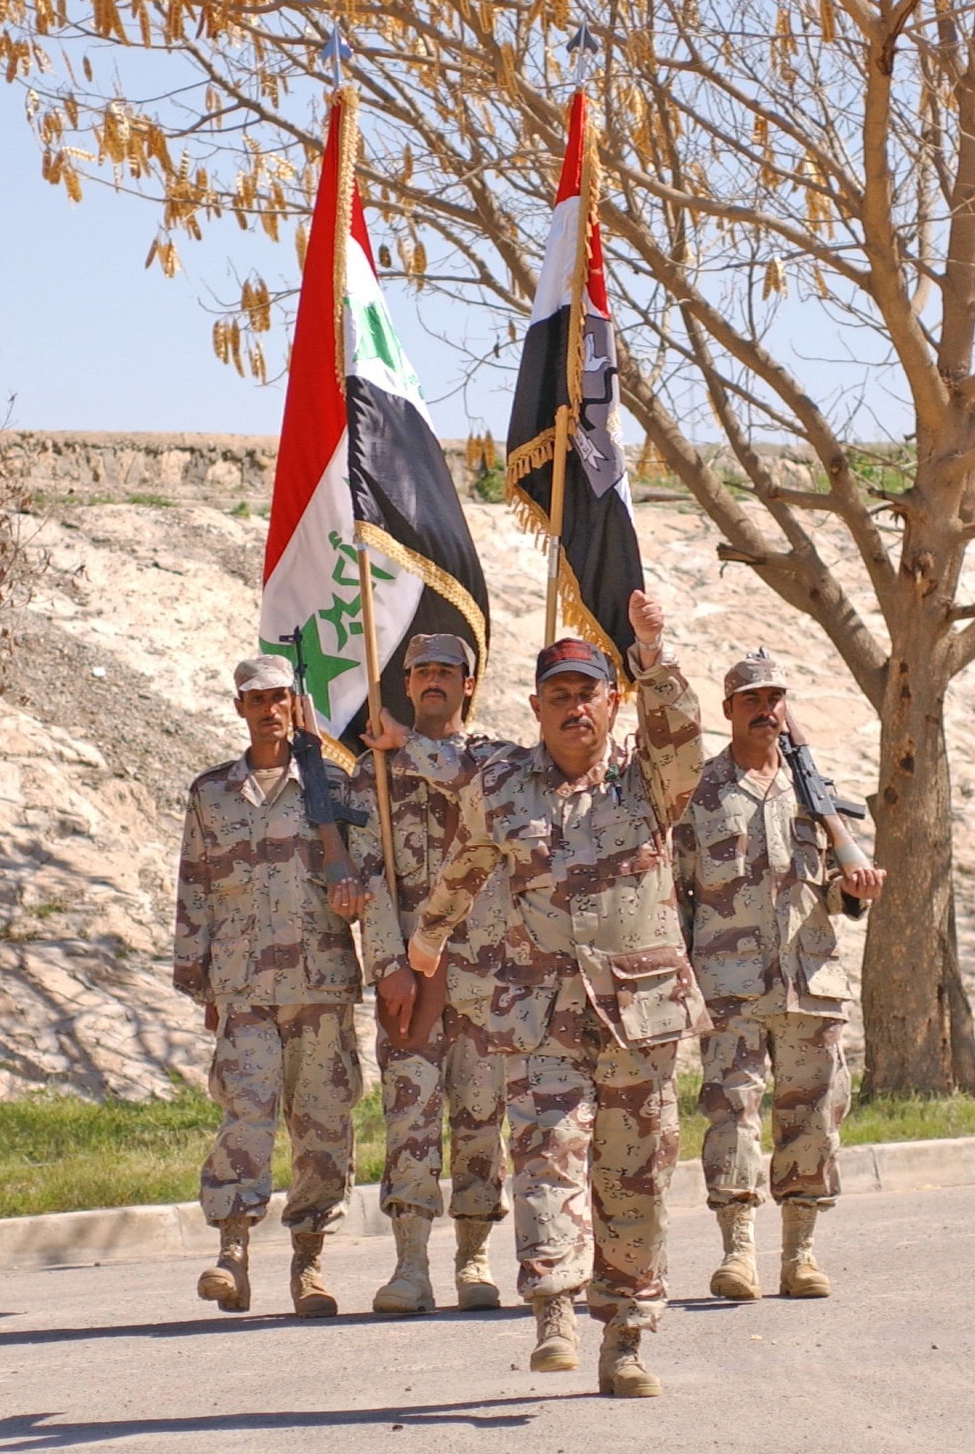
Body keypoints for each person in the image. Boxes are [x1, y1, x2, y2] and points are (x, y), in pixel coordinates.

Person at [404, 594, 708, 1399]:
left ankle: (630, 1337)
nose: (577, 707)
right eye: (561, 695)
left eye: (590, 692)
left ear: (613, 702)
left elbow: (681, 732)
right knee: (544, 1160)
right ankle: (555, 1307)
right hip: (540, 1011)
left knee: (634, 1173)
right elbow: (467, 861)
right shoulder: (504, 784)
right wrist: (429, 933)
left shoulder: (650, 779)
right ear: (536, 707)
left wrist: (652, 652)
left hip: (639, 1015)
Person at [673, 651, 885, 1303]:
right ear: (729, 709)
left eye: (775, 699)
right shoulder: (700, 793)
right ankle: (739, 1250)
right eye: (752, 700)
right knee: (731, 1113)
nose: (766, 710)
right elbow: (678, 893)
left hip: (811, 981)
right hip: (730, 984)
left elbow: (843, 898)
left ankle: (800, 1252)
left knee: (815, 1116)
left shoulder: (815, 796)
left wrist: (857, 886)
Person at [173, 654, 367, 1317]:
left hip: (320, 987)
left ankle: (310, 1260)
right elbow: (195, 890)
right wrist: (202, 986)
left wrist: (354, 900)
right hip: (245, 986)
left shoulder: (331, 787)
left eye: (281, 697)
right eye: (257, 699)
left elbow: (365, 881)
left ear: (295, 705)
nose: (269, 709)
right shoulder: (212, 794)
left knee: (322, 1125)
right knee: (244, 1116)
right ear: (240, 708)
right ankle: (232, 1250)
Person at [346, 634, 509, 1315]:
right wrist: (388, 964)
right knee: (409, 1116)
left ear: (468, 684)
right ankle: (410, 1263)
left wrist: (407, 745)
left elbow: (485, 808)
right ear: (406, 684)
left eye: (447, 671)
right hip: (413, 980)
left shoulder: (499, 762)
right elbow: (367, 875)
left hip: (486, 972)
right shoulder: (371, 775)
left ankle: (474, 1256)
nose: (434, 680)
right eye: (421, 672)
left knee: (481, 1119)